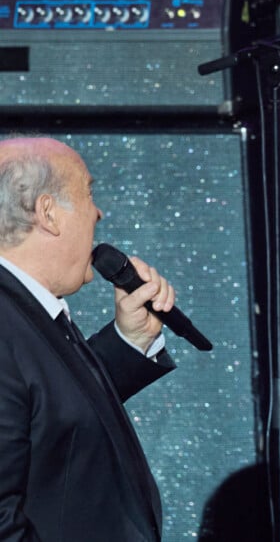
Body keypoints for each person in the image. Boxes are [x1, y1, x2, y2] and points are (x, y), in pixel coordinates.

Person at [0, 136, 178, 541]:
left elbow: (52, 416)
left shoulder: (23, 311)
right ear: (48, 213)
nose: (98, 212)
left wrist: (128, 339)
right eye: (88, 193)